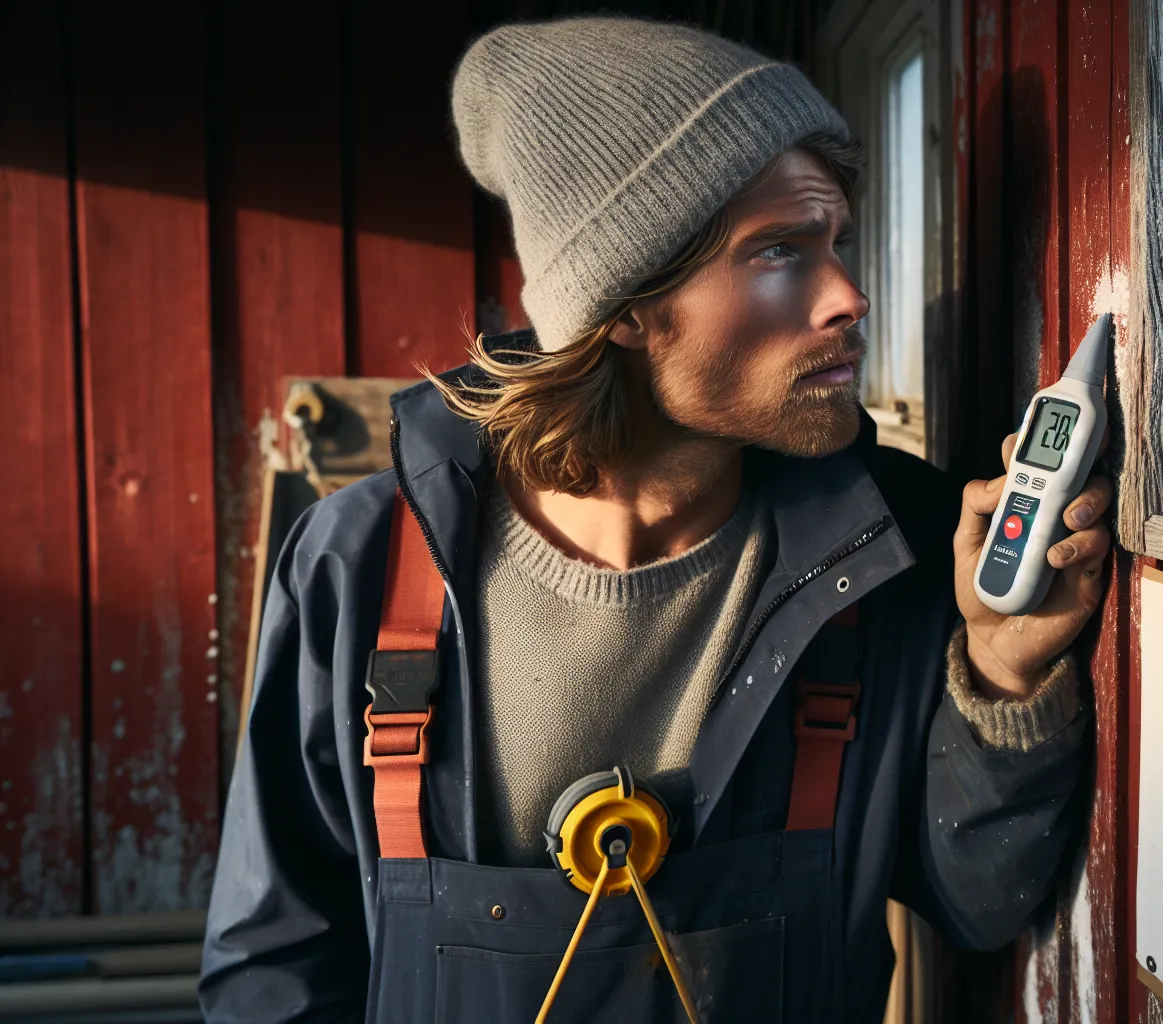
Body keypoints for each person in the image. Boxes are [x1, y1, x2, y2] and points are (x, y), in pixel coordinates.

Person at [199, 16, 1111, 1022]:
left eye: (836, 244)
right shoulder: (364, 565)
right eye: (779, 251)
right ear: (627, 306)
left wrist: (1004, 678)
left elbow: (978, 903)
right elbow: (274, 972)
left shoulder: (891, 546)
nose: (849, 297)